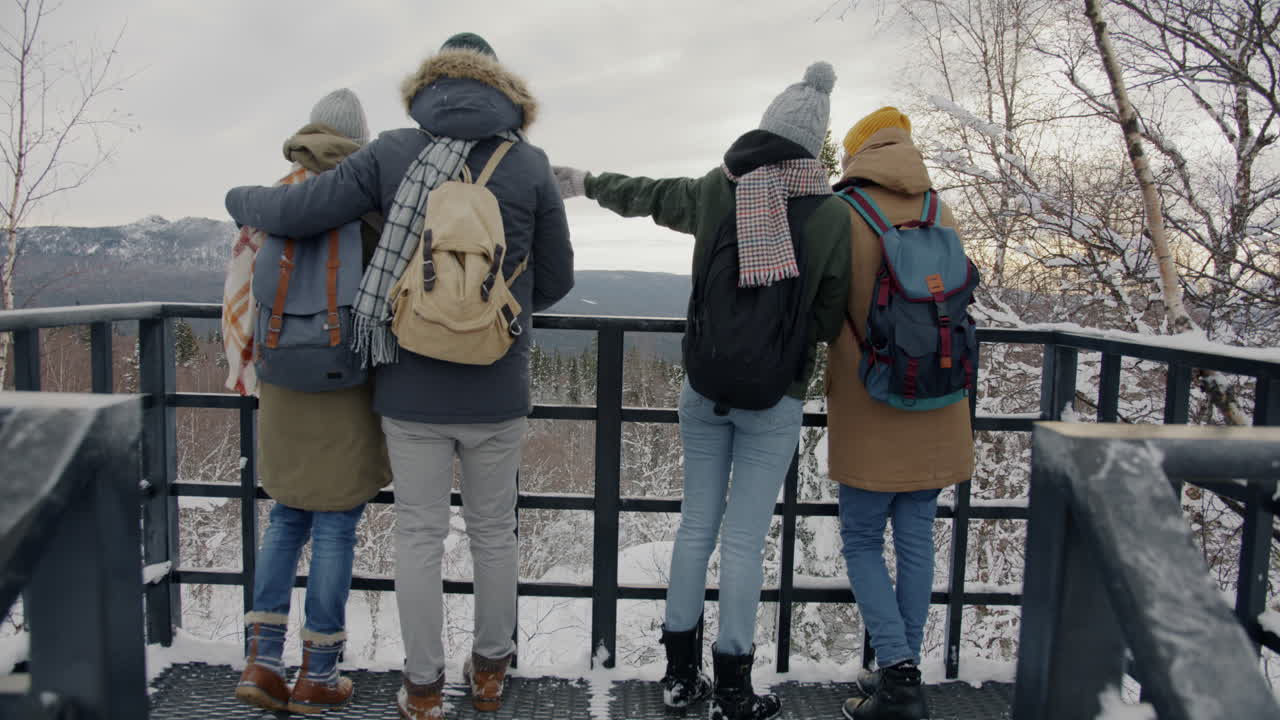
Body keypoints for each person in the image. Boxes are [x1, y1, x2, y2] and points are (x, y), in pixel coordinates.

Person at [225, 34, 574, 719]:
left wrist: (238, 196)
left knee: (417, 534)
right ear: (503, 91)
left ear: (429, 88)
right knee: (493, 532)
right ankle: (490, 676)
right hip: (497, 387)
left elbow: (299, 213)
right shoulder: (529, 164)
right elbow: (557, 279)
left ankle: (420, 689)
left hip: (409, 388)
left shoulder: (390, 152)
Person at [553, 63, 851, 720]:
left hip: (704, 388)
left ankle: (681, 678)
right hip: (774, 400)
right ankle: (736, 690)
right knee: (744, 542)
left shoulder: (722, 189)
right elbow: (829, 318)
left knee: (695, 530)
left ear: (765, 126)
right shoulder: (831, 217)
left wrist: (586, 182)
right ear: (815, 143)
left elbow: (650, 194)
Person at [229, 88, 393, 715]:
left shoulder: (272, 199)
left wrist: (251, 372)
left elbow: (238, 297)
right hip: (346, 384)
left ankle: (262, 663)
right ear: (358, 139)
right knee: (336, 524)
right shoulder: (368, 200)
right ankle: (318, 673)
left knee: (285, 518)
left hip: (281, 383)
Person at [828, 107, 975, 720]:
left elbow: (822, 303)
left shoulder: (844, 213)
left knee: (862, 538)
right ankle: (903, 674)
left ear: (857, 156)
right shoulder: (941, 211)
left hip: (871, 400)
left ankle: (898, 674)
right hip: (940, 399)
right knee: (916, 537)